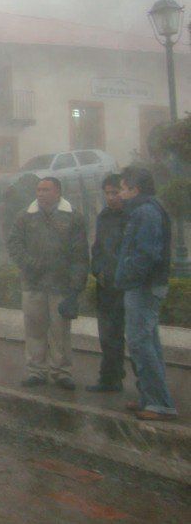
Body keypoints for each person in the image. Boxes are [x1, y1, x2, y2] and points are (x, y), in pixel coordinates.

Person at [7, 176, 89, 390]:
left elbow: (80, 254)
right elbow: (14, 244)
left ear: (58, 192)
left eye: (46, 189)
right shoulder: (25, 216)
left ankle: (62, 372)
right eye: (39, 190)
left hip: (61, 285)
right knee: (34, 330)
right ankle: (36, 371)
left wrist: (76, 286)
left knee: (60, 332)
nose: (41, 193)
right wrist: (30, 264)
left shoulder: (73, 217)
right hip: (33, 284)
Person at [114, 166, 177, 420]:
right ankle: (151, 398)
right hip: (144, 285)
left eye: (122, 188)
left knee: (140, 343)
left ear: (135, 189)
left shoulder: (145, 212)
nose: (119, 193)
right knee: (148, 343)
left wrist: (129, 276)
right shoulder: (147, 209)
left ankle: (160, 404)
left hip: (143, 286)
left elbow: (146, 254)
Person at [87, 174, 127, 393]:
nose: (111, 197)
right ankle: (110, 378)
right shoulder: (103, 216)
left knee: (137, 338)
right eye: (107, 193)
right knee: (108, 334)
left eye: (115, 192)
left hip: (127, 285)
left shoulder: (133, 216)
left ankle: (148, 390)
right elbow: (98, 248)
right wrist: (97, 270)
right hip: (106, 285)